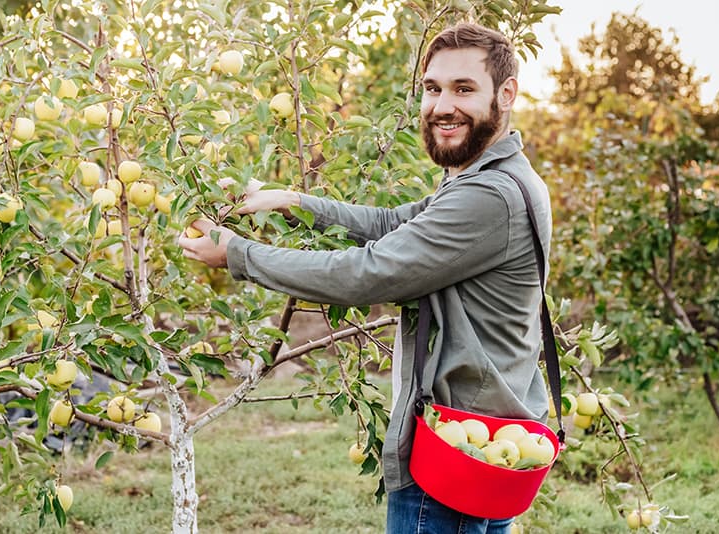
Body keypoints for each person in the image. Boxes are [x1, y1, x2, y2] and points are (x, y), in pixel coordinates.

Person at [178, 22, 551, 534]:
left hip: (455, 451)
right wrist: (292, 202)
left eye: (464, 89)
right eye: (433, 88)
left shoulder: (489, 195)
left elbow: (366, 274)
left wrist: (238, 255)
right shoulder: (493, 176)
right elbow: (390, 225)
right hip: (488, 441)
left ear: (506, 94)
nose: (443, 105)